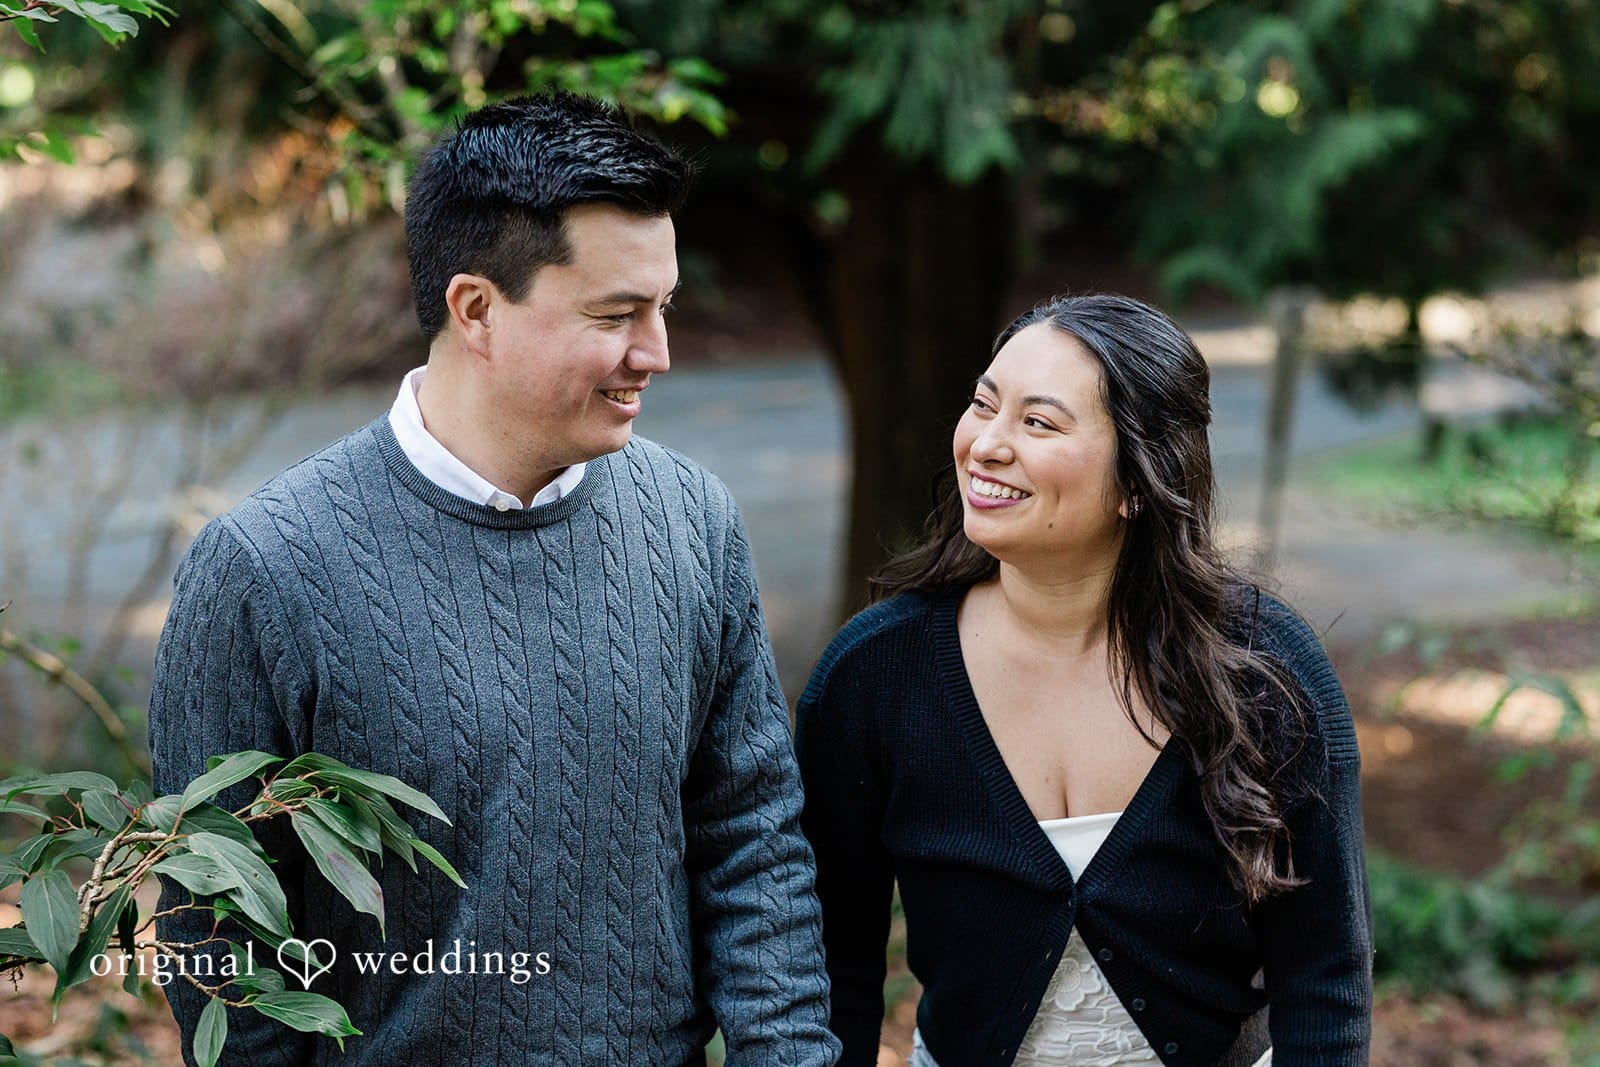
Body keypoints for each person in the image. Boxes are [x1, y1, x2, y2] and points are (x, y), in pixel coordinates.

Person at [149, 91, 841, 1066]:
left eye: (664, 306)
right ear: (476, 309)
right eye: (617, 314)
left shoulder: (694, 522)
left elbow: (751, 834)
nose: (659, 353)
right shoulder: (265, 568)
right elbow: (215, 933)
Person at [795, 294, 1372, 1067]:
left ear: (1140, 480)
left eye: (1038, 422)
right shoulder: (873, 678)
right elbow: (834, 971)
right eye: (983, 405)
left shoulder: (1268, 673)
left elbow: (1326, 978)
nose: (987, 445)